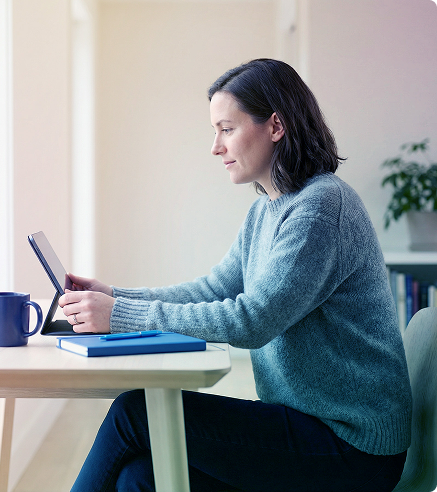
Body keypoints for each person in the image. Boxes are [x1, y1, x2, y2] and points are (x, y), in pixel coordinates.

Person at [60, 59, 412, 492]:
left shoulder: (321, 208)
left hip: (350, 447)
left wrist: (120, 316)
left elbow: (252, 320)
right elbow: (215, 289)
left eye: (226, 129)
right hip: (306, 425)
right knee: (141, 478)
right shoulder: (267, 207)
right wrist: (116, 295)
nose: (215, 146)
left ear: (276, 126)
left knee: (136, 412)